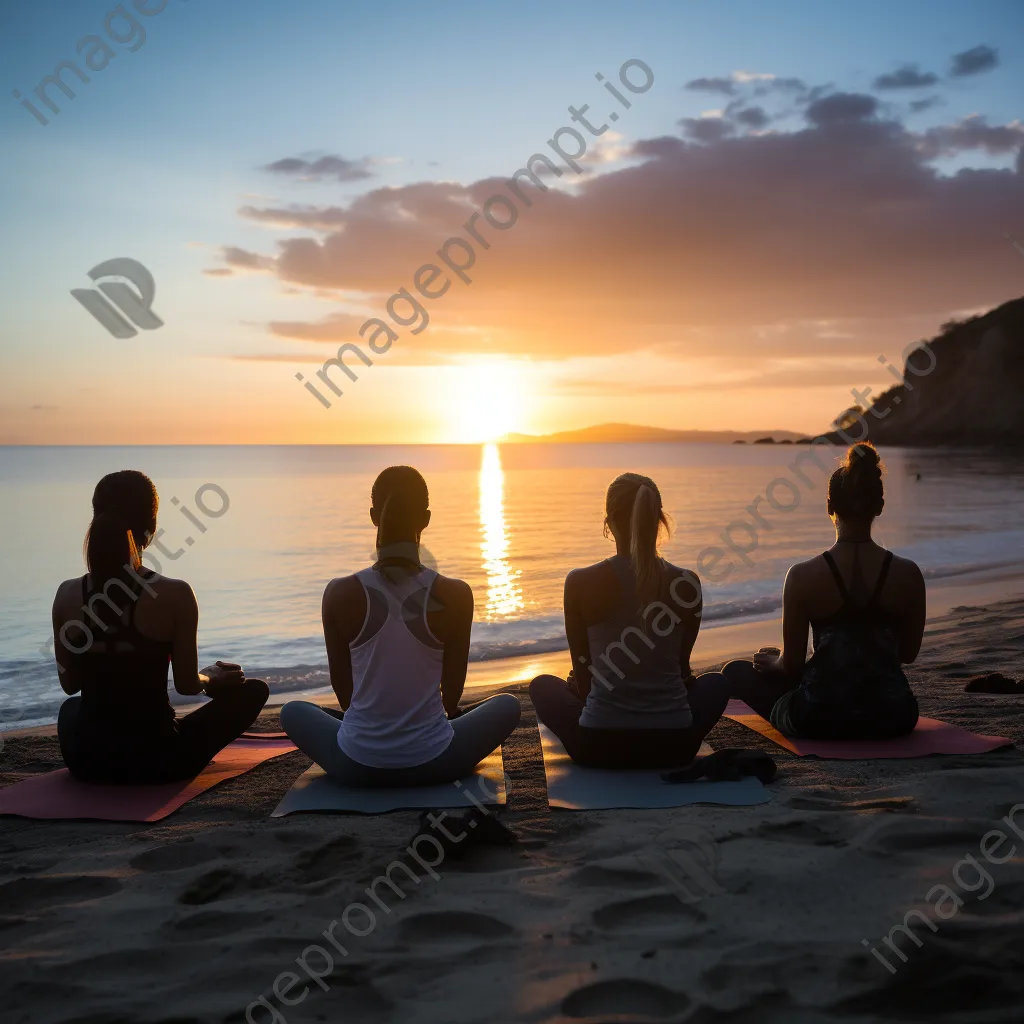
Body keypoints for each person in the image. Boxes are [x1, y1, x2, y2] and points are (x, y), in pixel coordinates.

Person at [281, 466, 521, 787]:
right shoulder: (455, 593)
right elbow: (451, 698)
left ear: (373, 516)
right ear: (425, 518)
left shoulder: (338, 593)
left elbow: (345, 698)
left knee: (292, 711)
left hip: (356, 767)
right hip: (437, 764)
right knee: (508, 705)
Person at [52, 471, 269, 784]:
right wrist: (211, 676)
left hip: (87, 762)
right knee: (255, 690)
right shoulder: (175, 593)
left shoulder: (66, 594)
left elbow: (70, 684)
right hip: (159, 761)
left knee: (72, 707)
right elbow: (187, 685)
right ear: (150, 530)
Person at [723, 443, 924, 740]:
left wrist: (776, 661)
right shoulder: (909, 574)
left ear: (829, 507)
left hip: (819, 716)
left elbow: (791, 670)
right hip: (894, 716)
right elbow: (907, 654)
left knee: (735, 672)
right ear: (879, 506)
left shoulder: (801, 576)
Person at [529, 472, 730, 769]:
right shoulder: (687, 582)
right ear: (659, 521)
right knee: (717, 683)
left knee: (542, 685)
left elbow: (584, 684)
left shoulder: (580, 582)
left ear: (608, 523)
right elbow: (682, 672)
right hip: (675, 746)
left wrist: (588, 687)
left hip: (598, 747)